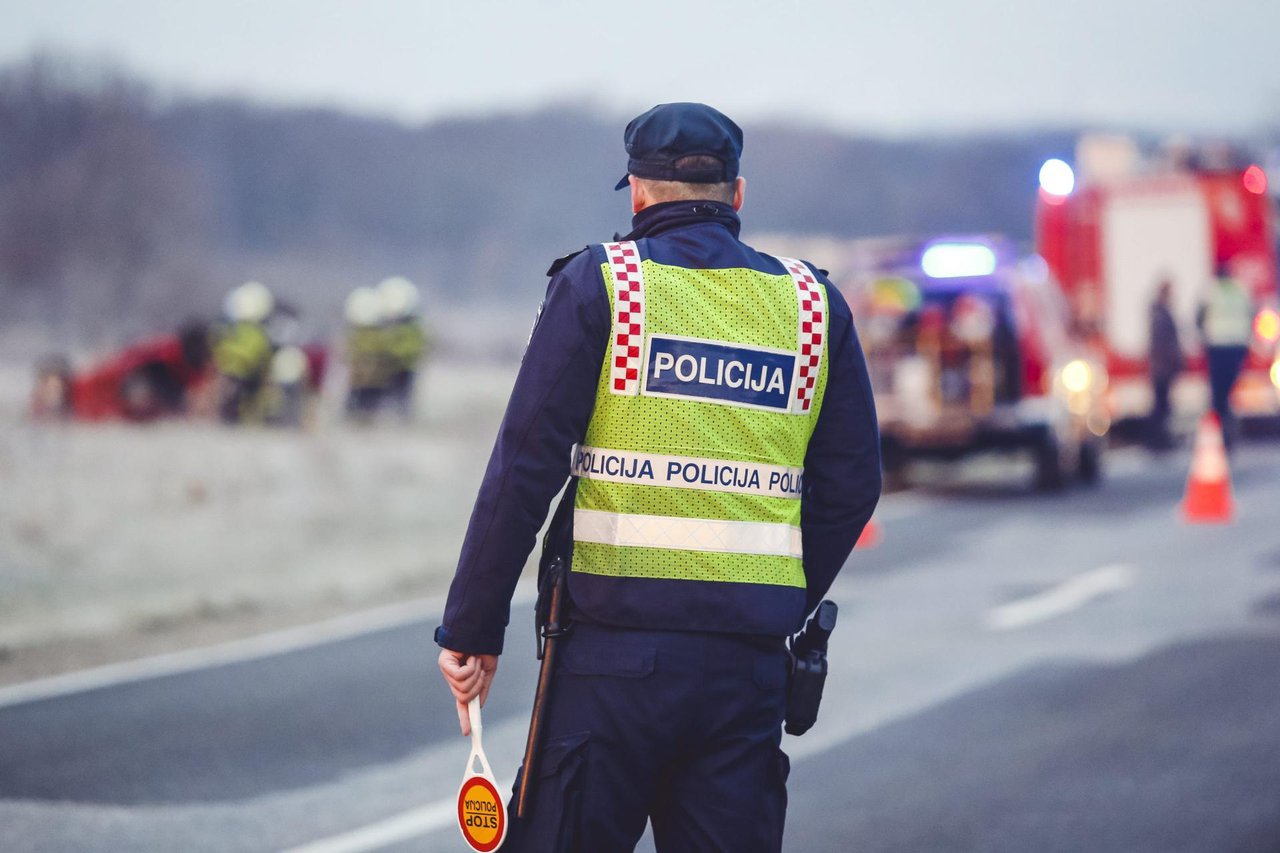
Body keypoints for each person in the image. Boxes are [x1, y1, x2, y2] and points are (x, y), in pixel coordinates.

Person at [435, 102, 881, 852]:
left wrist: (475, 627)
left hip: (610, 666)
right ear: (737, 194)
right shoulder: (812, 307)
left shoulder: (603, 286)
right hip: (745, 673)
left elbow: (525, 465)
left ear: (637, 192)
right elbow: (852, 481)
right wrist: (774, 592)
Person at [1197, 262, 1253, 451]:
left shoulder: (1210, 291)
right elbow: (1251, 315)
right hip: (1237, 346)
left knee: (1218, 395)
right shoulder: (1241, 290)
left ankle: (1220, 434)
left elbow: (1199, 318)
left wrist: (1203, 336)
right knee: (1228, 392)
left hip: (1217, 347)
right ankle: (1228, 432)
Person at [211, 281, 275, 424]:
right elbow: (263, 356)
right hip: (242, 371)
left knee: (233, 400)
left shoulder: (227, 328)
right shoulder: (259, 332)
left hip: (234, 370)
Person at [376, 276, 429, 421]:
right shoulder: (408, 326)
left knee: (402, 395)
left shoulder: (412, 328)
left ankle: (400, 417)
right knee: (392, 394)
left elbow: (413, 348)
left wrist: (392, 353)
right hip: (395, 367)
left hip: (405, 367)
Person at [1146, 279, 1182, 450]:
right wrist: (1173, 361)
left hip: (1161, 367)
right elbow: (1164, 344)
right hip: (1162, 368)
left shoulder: (1159, 313)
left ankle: (1158, 440)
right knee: (1161, 406)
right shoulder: (1161, 315)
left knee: (1162, 405)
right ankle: (1158, 441)